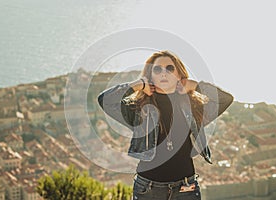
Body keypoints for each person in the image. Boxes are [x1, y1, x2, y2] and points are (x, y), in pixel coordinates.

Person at [98, 50, 233, 200]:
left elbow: (225, 99)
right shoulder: (138, 109)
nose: (164, 73)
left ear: (178, 74)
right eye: (157, 69)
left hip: (186, 188)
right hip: (148, 189)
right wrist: (138, 85)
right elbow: (105, 100)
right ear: (150, 75)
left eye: (170, 68)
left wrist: (195, 85)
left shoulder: (193, 107)